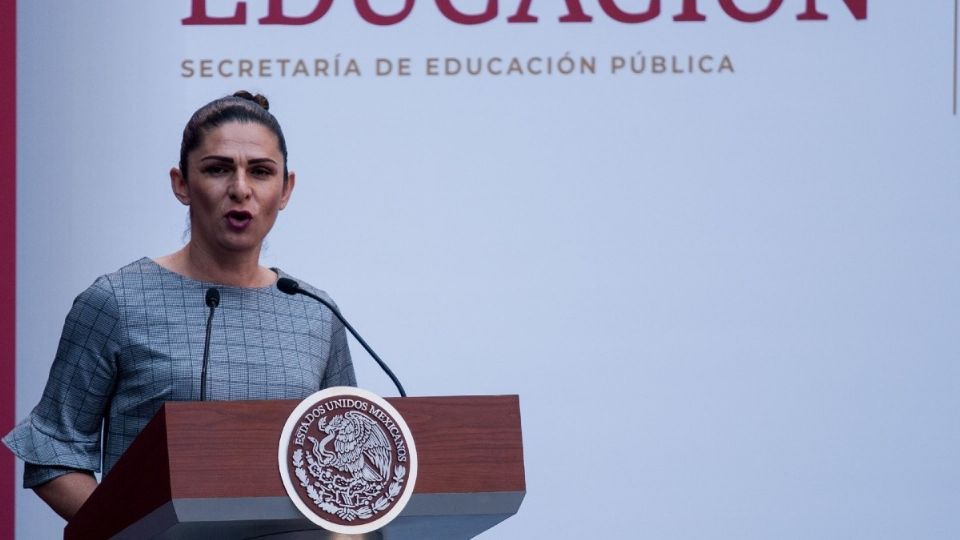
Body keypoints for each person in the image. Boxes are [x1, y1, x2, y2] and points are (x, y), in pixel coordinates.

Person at [3, 91, 356, 520]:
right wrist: (134, 532)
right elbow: (53, 453)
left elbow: (343, 459)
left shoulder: (315, 313)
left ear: (285, 189)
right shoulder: (117, 301)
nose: (240, 189)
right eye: (217, 169)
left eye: (261, 172)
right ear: (182, 184)